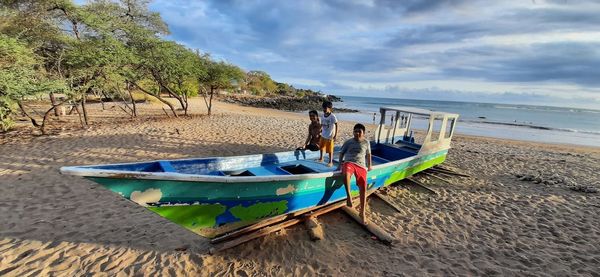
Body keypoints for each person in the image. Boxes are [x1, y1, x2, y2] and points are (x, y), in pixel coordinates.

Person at [338, 123, 372, 224]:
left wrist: (370, 165)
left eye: (359, 132)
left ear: (363, 133)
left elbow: (369, 154)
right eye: (355, 131)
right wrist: (339, 164)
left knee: (363, 188)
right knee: (346, 174)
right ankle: (349, 197)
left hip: (361, 165)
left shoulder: (366, 142)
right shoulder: (348, 142)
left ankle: (362, 213)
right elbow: (341, 153)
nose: (357, 133)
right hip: (349, 162)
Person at [318, 101, 338, 167]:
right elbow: (322, 123)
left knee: (330, 150)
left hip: (330, 136)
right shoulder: (322, 115)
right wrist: (320, 129)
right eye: (323, 108)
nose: (324, 110)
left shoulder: (332, 116)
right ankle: (321, 158)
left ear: (330, 108)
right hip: (323, 134)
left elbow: (336, 124)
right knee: (321, 147)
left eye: (325, 108)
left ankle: (330, 162)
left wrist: (335, 135)